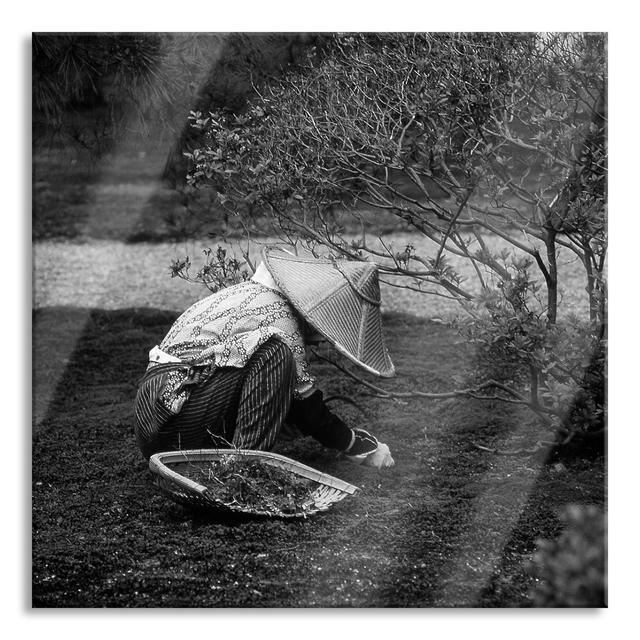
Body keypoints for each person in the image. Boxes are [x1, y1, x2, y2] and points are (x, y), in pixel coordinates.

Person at [133, 246, 395, 469]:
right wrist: (352, 443)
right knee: (276, 353)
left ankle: (217, 460)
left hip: (150, 420)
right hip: (176, 419)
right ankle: (238, 473)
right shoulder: (281, 317)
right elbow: (307, 407)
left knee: (276, 381)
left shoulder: (242, 294)